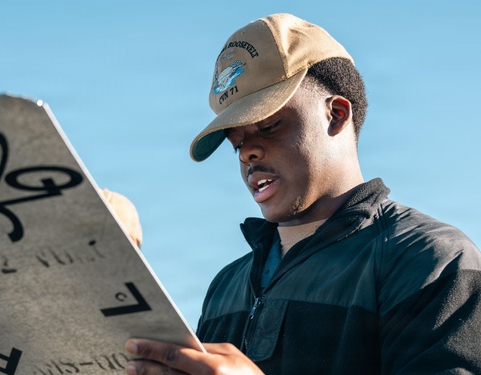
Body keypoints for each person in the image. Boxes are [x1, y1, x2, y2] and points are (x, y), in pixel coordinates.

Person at [125, 13, 481, 374]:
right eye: (237, 144)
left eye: (270, 126)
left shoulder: (432, 259)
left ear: (337, 114)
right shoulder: (225, 286)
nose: (249, 152)